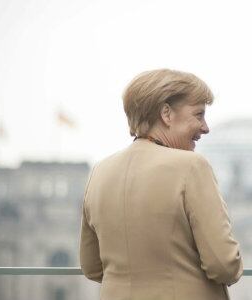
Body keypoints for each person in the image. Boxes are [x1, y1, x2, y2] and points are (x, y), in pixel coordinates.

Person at [80, 69, 243, 300]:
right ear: (166, 114)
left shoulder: (99, 171)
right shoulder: (192, 166)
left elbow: (91, 266)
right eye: (199, 115)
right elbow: (223, 265)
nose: (206, 127)